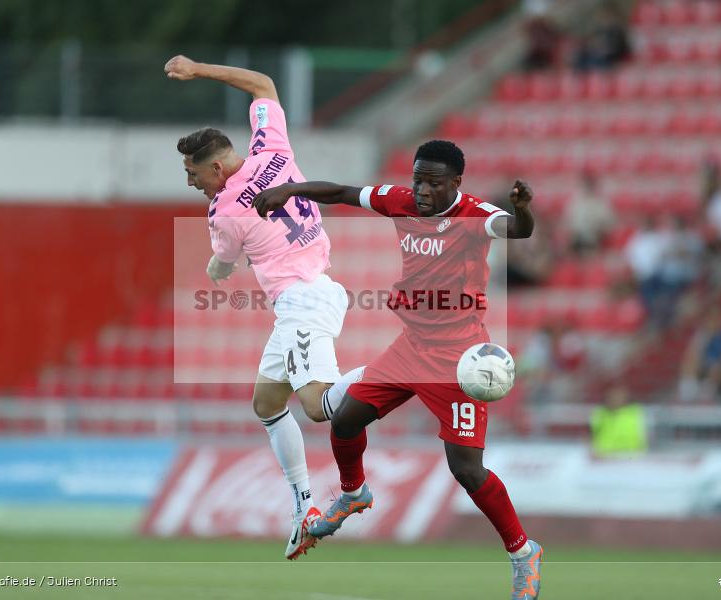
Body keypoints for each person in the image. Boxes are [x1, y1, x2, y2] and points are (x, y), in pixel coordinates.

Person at [253, 140, 543, 600]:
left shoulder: (474, 214)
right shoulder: (401, 202)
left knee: (466, 470)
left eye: (432, 181)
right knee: (345, 418)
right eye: (418, 179)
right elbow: (343, 192)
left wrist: (524, 210)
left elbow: (517, 230)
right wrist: (290, 188)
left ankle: (523, 553)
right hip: (410, 347)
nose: (422, 190)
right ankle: (353, 494)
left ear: (456, 183)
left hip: (457, 359)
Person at [164, 56, 365, 560]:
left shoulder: (224, 210)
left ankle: (402, 373)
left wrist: (215, 269)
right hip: (313, 289)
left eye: (192, 174)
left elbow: (224, 261)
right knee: (268, 403)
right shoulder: (270, 144)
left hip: (302, 301)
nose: (192, 183)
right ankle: (303, 506)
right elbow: (263, 85)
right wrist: (199, 69)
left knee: (319, 407)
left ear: (214, 167)